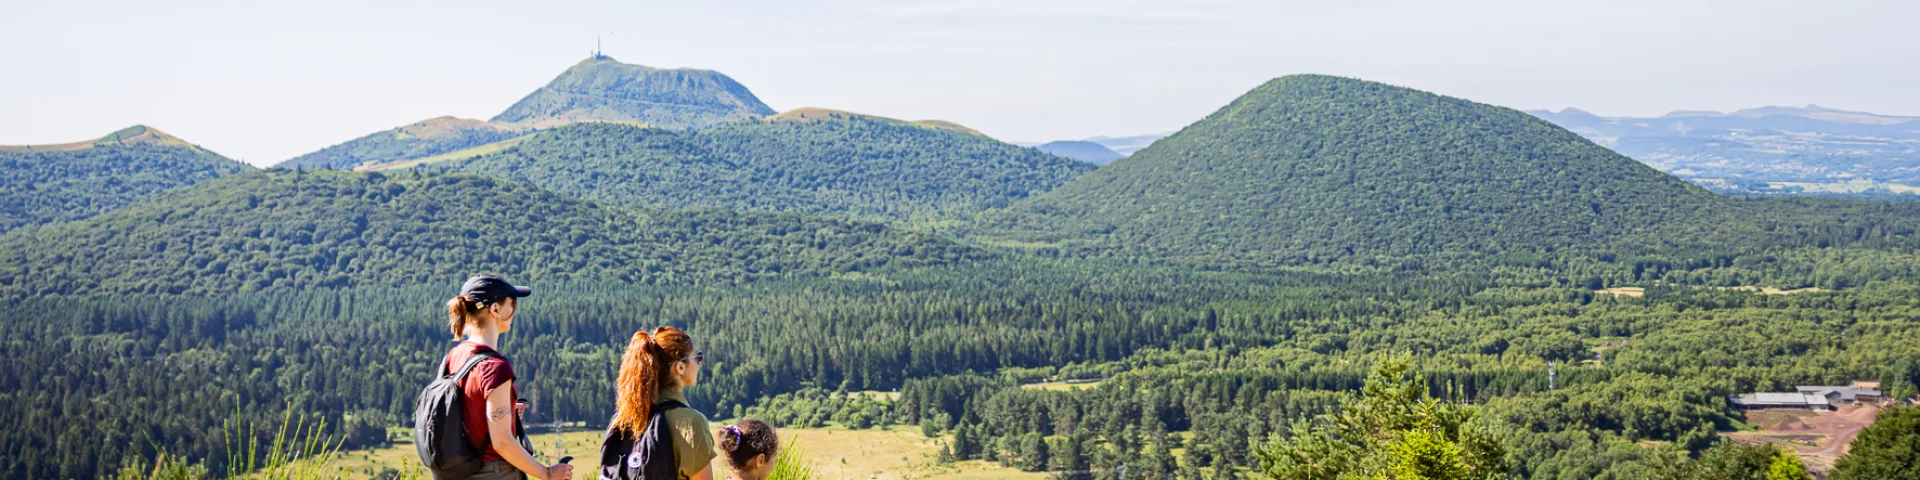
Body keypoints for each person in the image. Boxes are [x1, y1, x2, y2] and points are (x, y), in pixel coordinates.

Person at [444, 274, 573, 480]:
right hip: (494, 473)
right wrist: (548, 473)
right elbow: (502, 441)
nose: (514, 310)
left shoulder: (455, 356)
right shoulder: (495, 367)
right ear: (495, 309)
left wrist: (507, 412)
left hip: (463, 471)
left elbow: (466, 412)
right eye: (512, 303)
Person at [603, 326, 716, 480]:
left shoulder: (622, 420)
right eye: (697, 358)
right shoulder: (690, 423)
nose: (698, 364)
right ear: (680, 367)